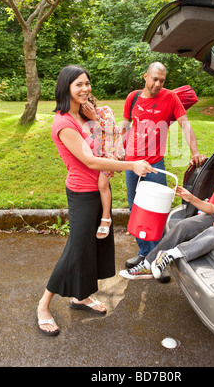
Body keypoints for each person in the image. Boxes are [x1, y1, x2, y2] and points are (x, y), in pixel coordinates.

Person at [37, 65, 154, 336]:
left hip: (97, 190)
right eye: (78, 84)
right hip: (81, 193)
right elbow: (89, 159)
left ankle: (81, 296)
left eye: (87, 83)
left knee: (90, 248)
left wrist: (94, 121)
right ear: (66, 87)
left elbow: (104, 143)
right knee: (76, 250)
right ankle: (43, 305)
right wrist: (132, 165)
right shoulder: (63, 122)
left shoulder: (82, 115)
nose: (85, 89)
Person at [119, 132, 214, 280]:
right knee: (183, 225)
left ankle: (173, 254)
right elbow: (212, 208)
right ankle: (147, 264)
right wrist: (191, 198)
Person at [121, 62, 206, 276]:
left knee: (157, 213)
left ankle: (157, 260)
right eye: (154, 79)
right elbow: (125, 126)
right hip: (131, 163)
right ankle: (144, 252)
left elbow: (186, 125)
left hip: (154, 165)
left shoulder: (170, 97)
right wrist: (118, 149)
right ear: (145, 77)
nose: (158, 84)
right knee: (136, 210)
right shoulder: (132, 97)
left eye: (162, 80)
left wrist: (195, 151)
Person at [82, 96, 125, 239]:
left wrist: (94, 117)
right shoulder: (82, 120)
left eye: (88, 105)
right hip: (100, 156)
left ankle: (106, 218)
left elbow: (111, 131)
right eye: (83, 108)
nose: (86, 109)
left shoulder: (106, 111)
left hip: (112, 154)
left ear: (93, 102)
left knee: (102, 184)